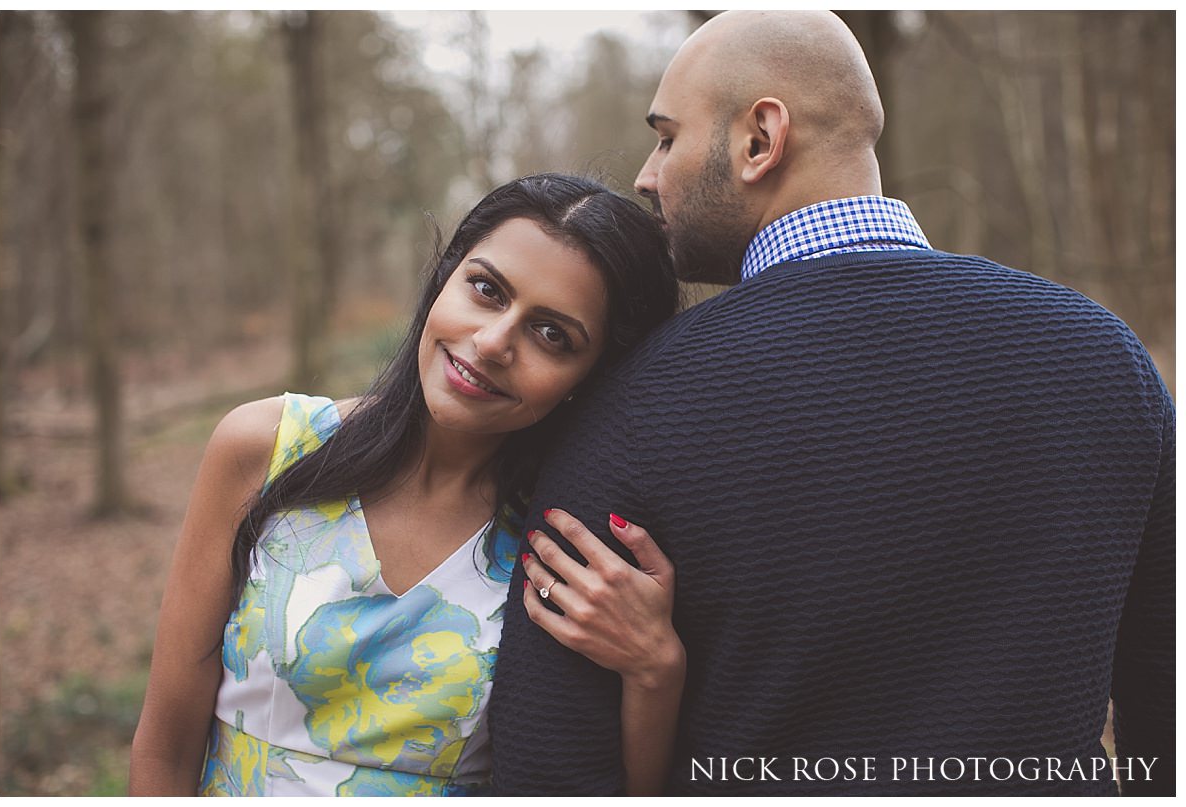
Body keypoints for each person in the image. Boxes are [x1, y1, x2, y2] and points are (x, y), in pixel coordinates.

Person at [490, 11, 1174, 796]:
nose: (647, 176)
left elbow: (552, 756)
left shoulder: (635, 400)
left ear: (760, 139)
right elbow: (1167, 695)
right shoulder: (1105, 358)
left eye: (667, 137)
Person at [128, 174, 687, 796]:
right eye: (486, 290)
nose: (494, 342)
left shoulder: (559, 539)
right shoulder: (267, 449)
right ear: (442, 280)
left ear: (592, 375)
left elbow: (606, 787)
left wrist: (655, 670)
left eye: (552, 334)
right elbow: (163, 749)